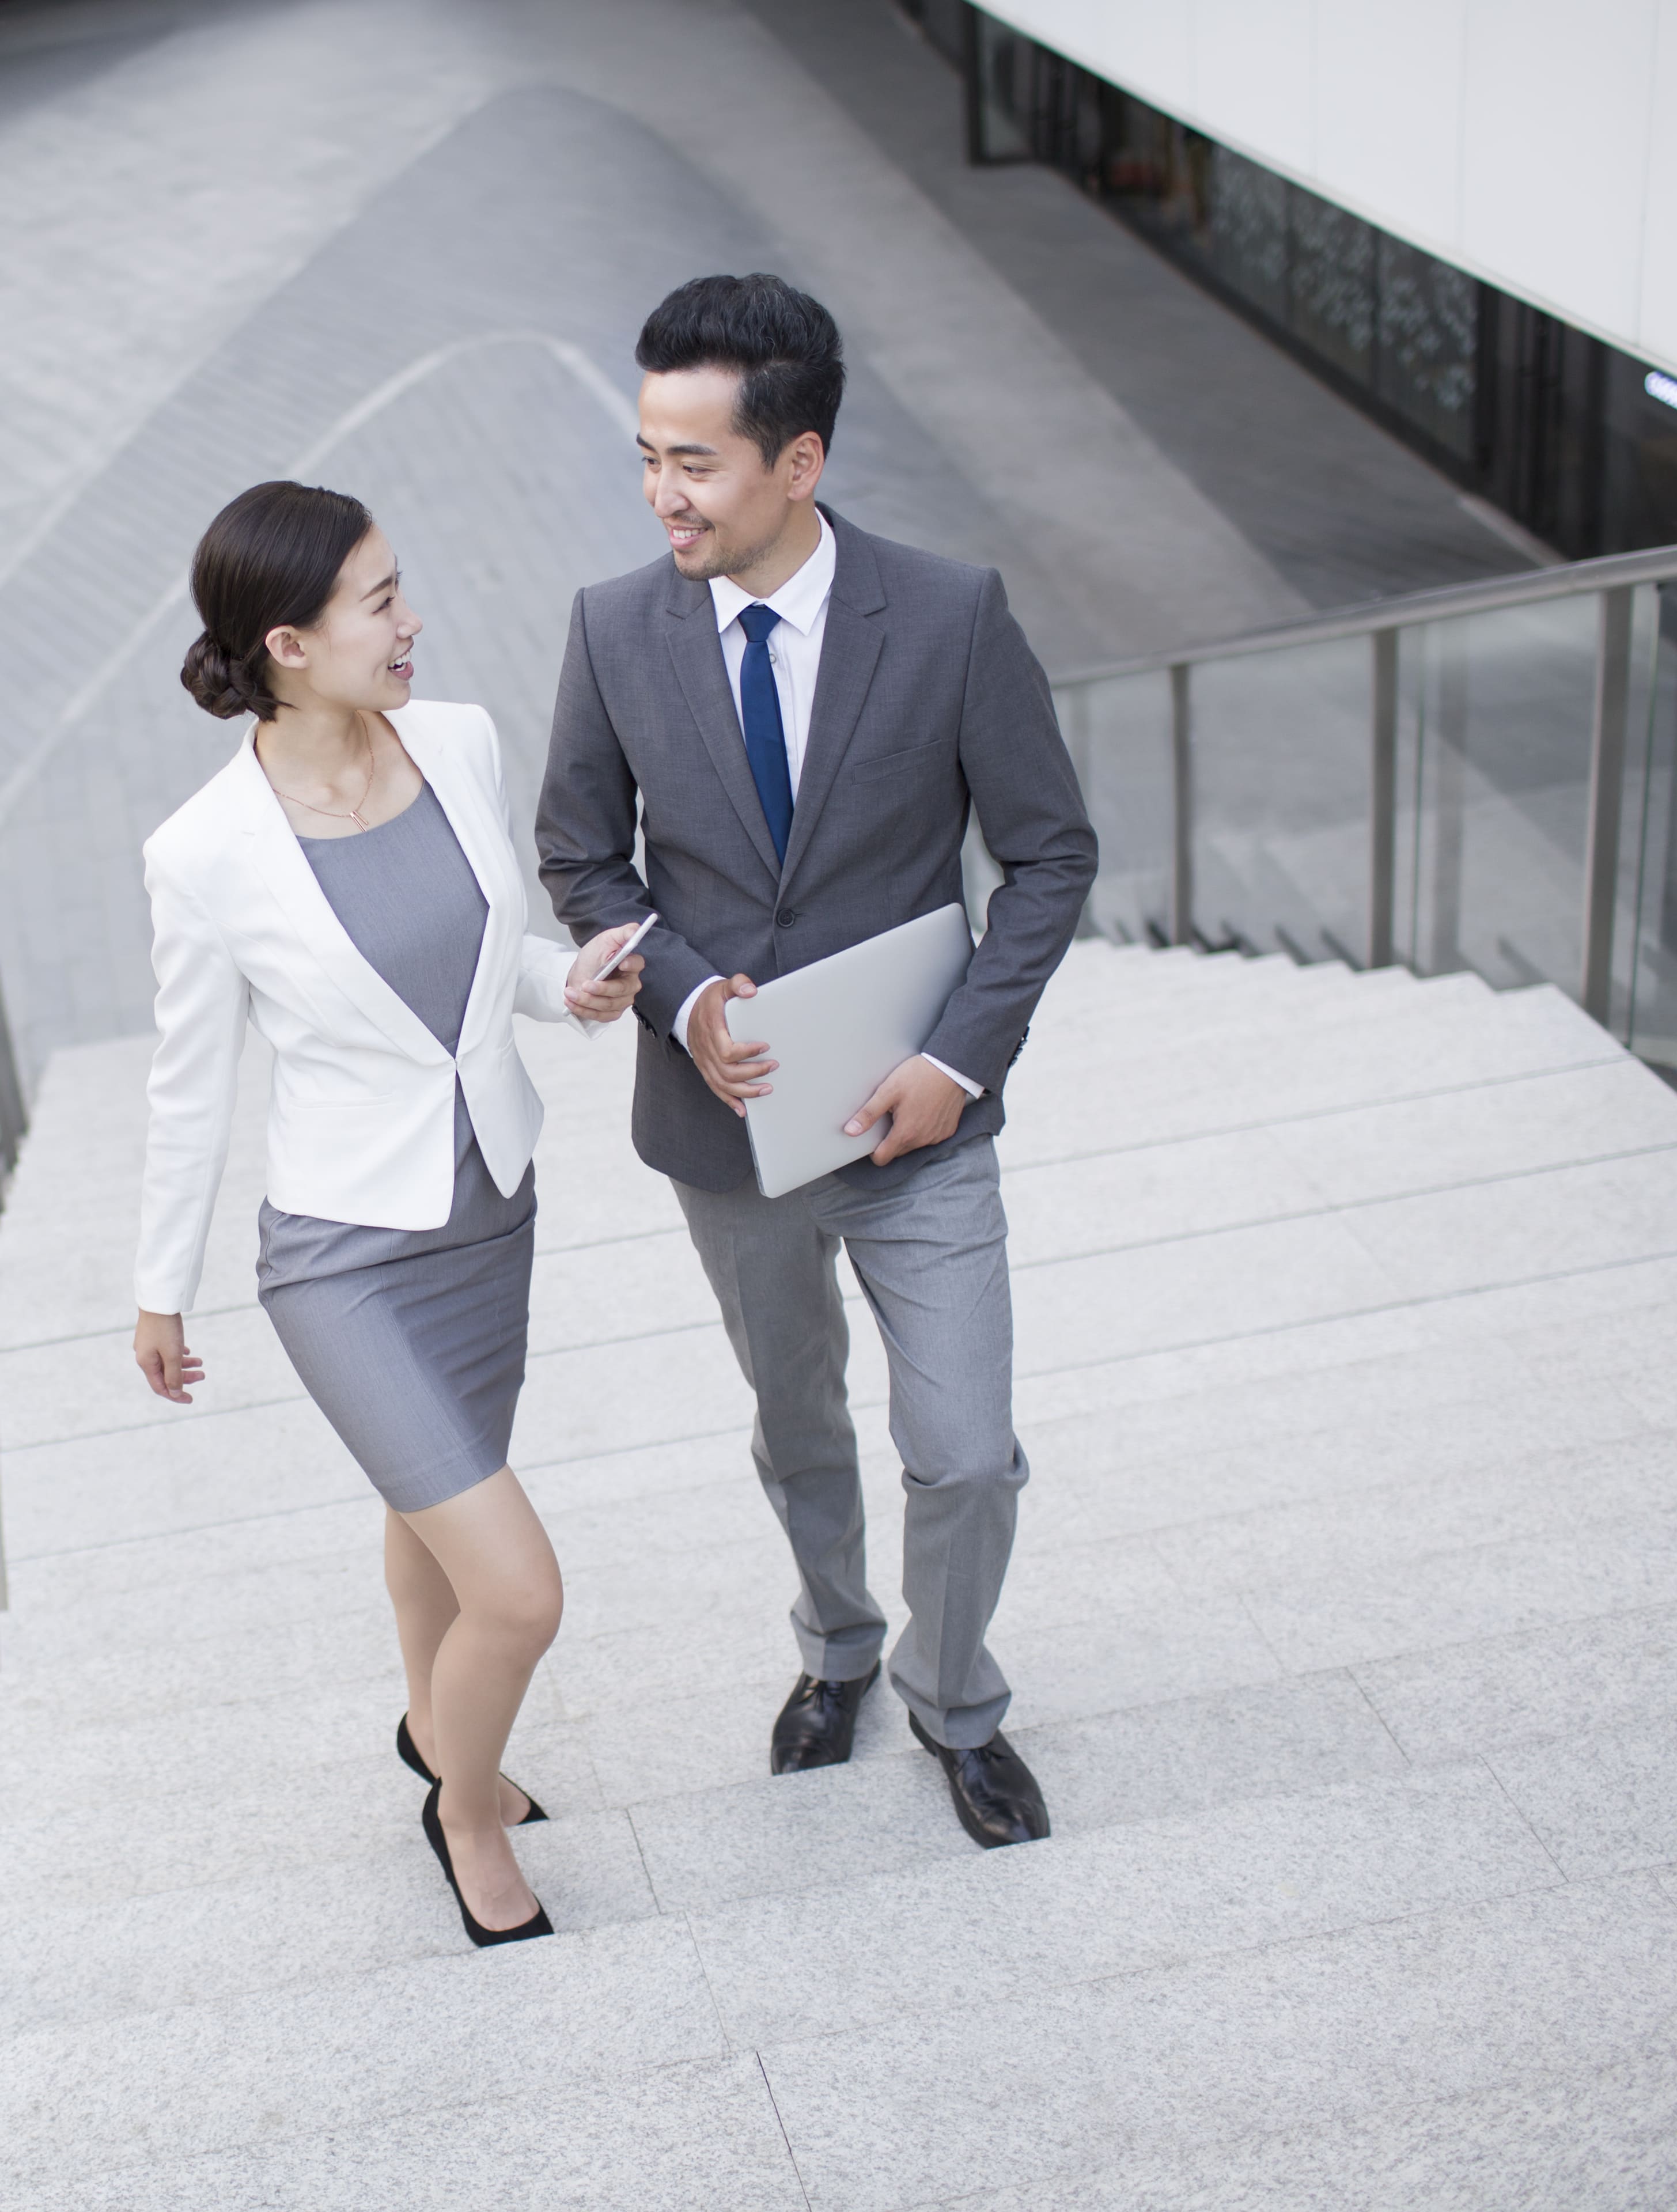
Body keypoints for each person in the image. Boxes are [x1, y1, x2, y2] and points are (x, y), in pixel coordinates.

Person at [536, 274, 1096, 1849]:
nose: (662, 494)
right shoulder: (613, 627)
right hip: (735, 1132)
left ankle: (957, 1697)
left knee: (967, 1452)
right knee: (797, 1424)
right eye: (649, 455)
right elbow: (583, 859)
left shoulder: (952, 614)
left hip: (922, 1121)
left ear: (801, 462)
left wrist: (962, 1064)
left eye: (695, 461)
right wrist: (689, 998)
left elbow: (1050, 858)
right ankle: (838, 1648)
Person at [132, 480, 646, 1945]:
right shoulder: (205, 852)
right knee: (523, 1592)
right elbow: (190, 1085)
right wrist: (160, 1290)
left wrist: (572, 986)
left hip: (488, 1204)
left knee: (432, 1522)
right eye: (379, 602)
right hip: (343, 1258)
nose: (411, 621)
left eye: (401, 587)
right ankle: (463, 1803)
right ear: (289, 644)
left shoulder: (459, 740)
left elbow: (488, 954)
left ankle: (435, 1728)